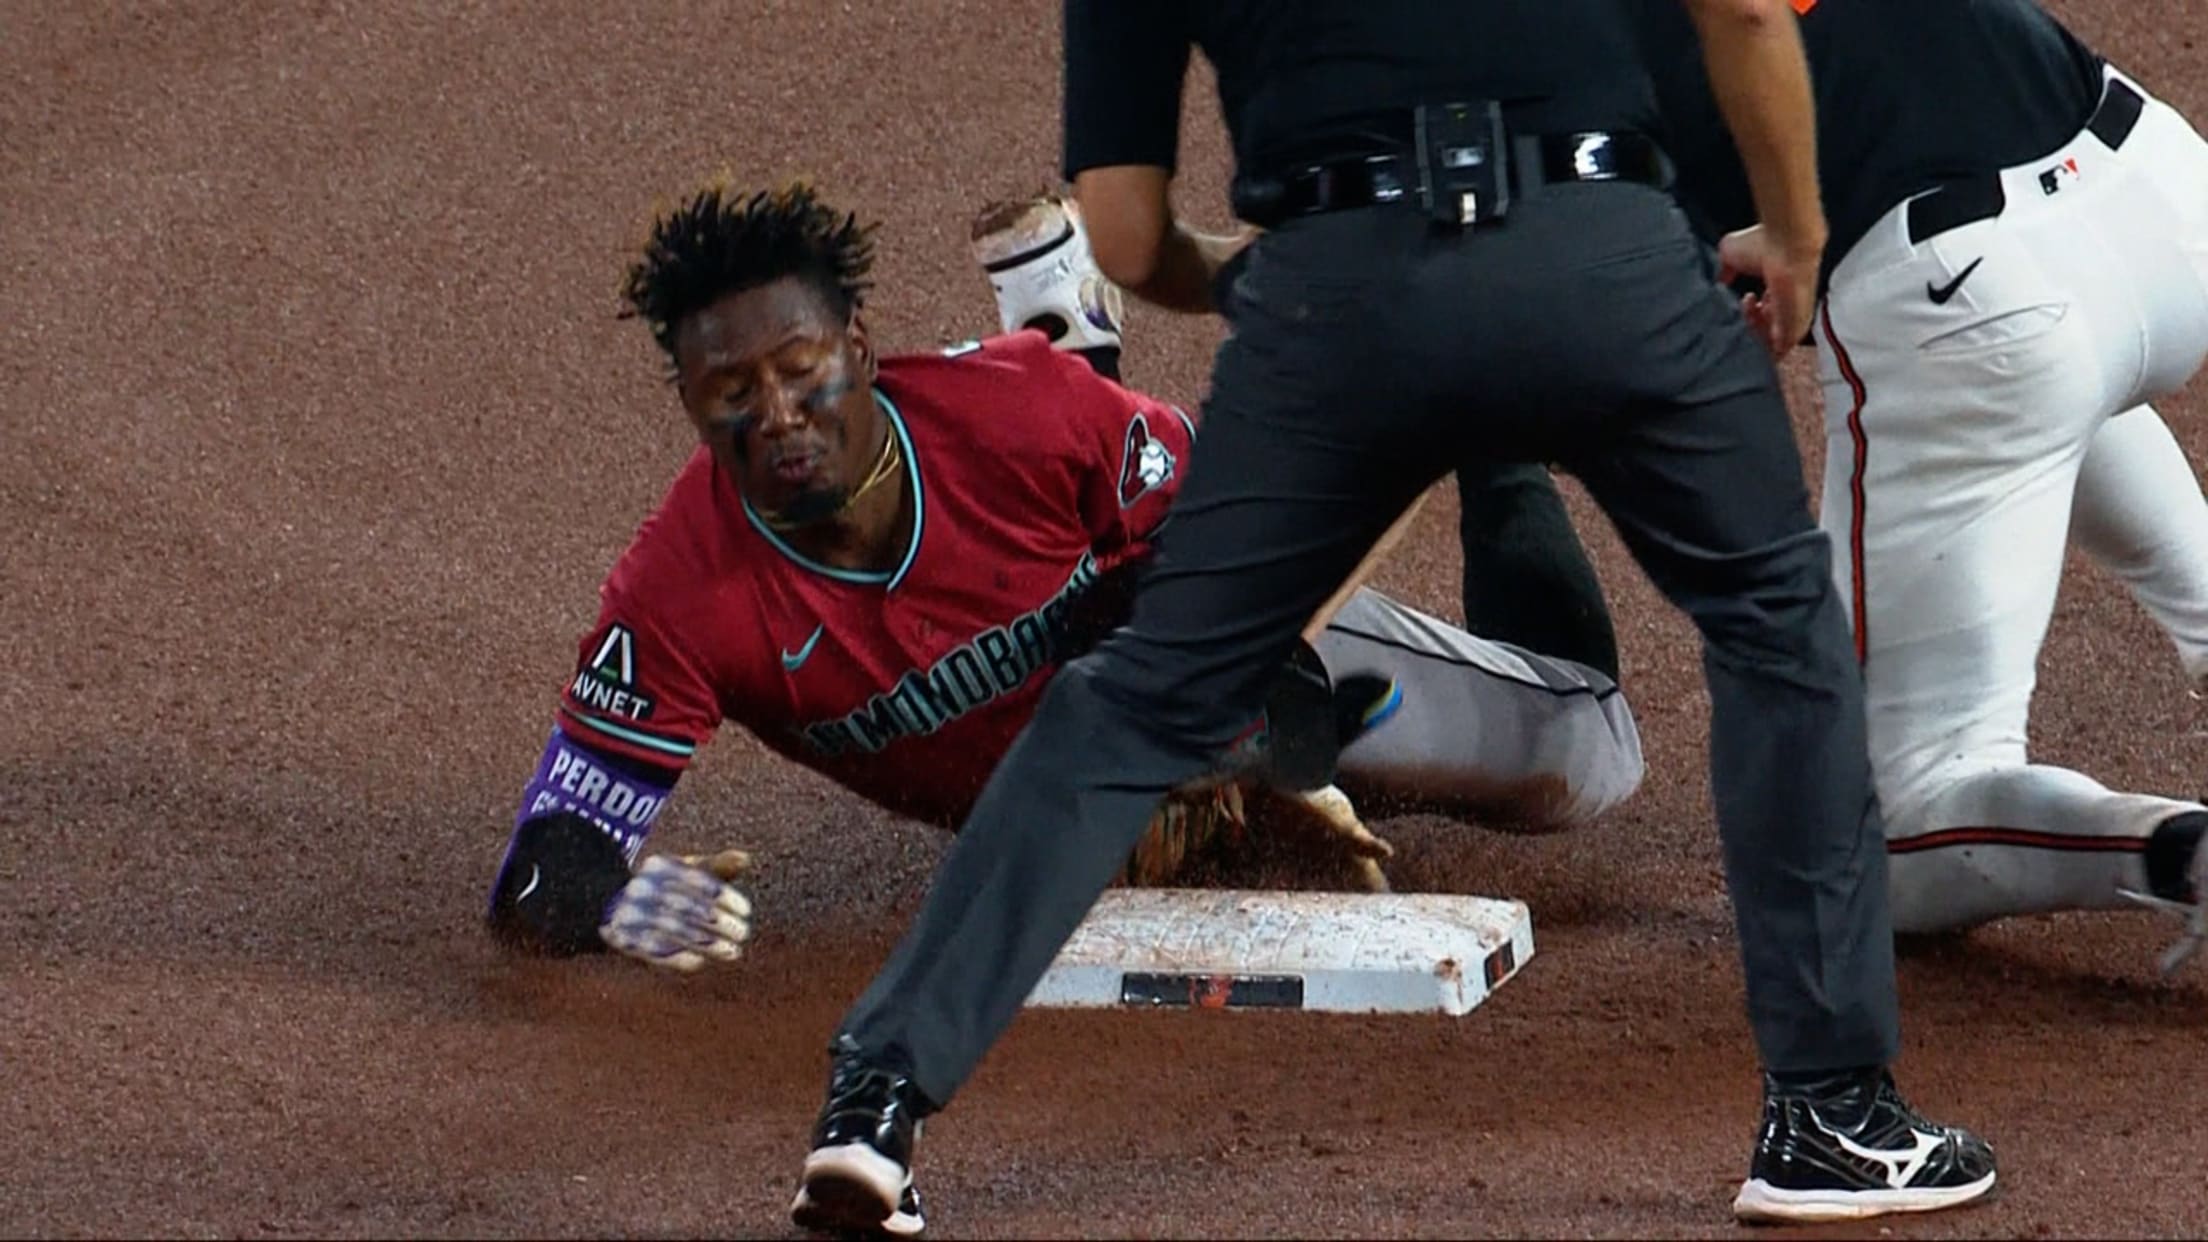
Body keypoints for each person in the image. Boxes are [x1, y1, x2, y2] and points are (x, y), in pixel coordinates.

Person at [790, 1, 1998, 1234]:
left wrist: (1281, 274)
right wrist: (1793, 235)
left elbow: (1129, 234)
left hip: (1337, 297)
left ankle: (876, 1099)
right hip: (1604, 261)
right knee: (1775, 623)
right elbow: (1743, 13)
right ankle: (1831, 1114)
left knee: (1146, 694)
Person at [483, 186, 1646, 993]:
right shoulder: (679, 594)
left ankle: (1496, 446)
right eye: (733, 392)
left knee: (1587, 758)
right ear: (690, 404)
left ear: (861, 349)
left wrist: (1260, 731)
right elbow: (541, 866)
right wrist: (606, 899)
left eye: (802, 369)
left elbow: (1253, 535)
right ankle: (1063, 327)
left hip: (1213, 638)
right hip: (1076, 774)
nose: (779, 416)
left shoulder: (1009, 423)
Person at [1632, 0, 2208, 972]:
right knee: (2037, 374)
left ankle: (2182, 855)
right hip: (2162, 195)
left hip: (1979, 300)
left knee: (1867, 840)